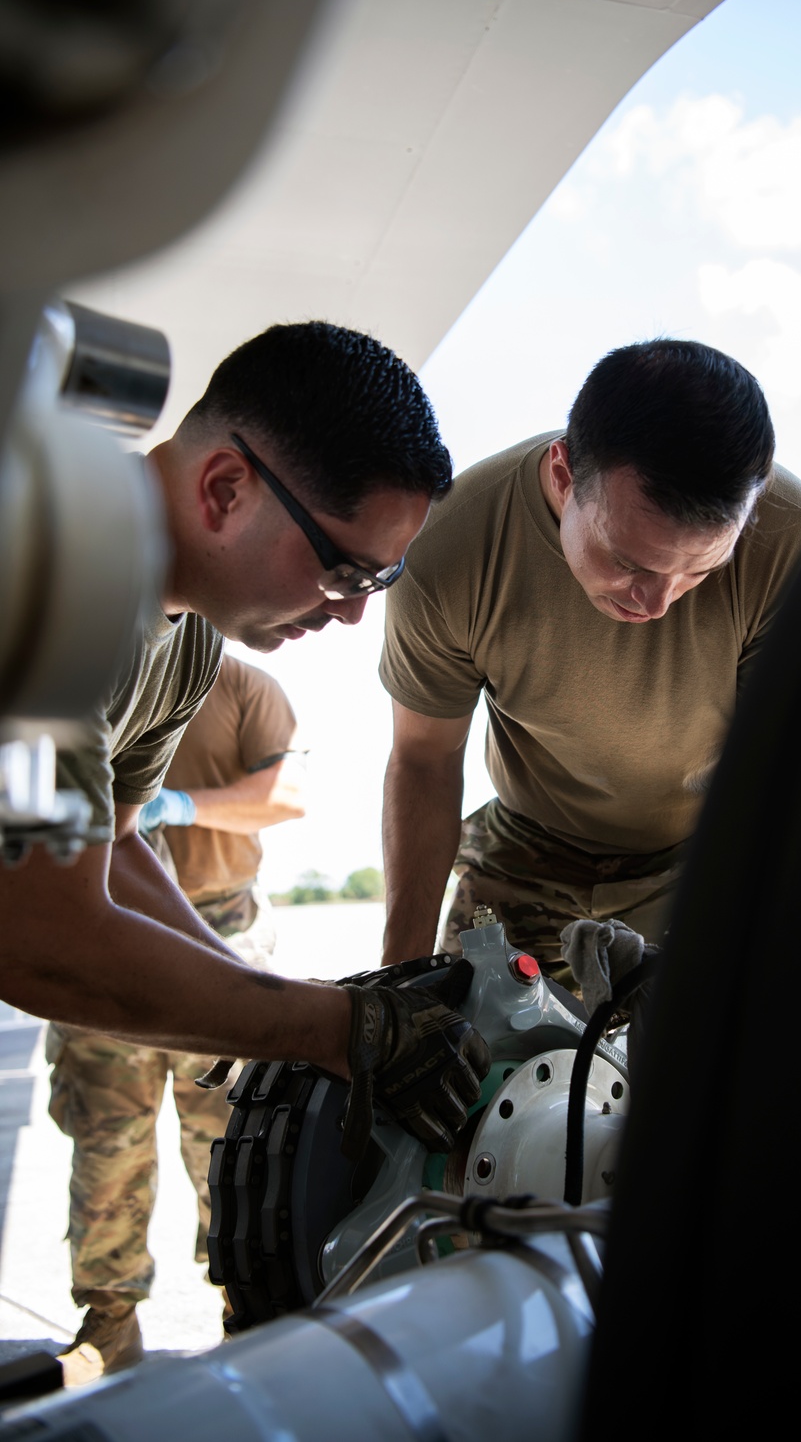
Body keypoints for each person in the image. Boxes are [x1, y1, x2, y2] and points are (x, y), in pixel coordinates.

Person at [0, 321, 490, 1372]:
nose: (354, 616)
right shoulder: (53, 570)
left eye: (381, 582)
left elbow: (111, 848)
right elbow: (39, 933)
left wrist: (236, 991)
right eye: (343, 569)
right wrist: (334, 1030)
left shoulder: (175, 637)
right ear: (225, 488)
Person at [379, 337, 801, 981]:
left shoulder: (794, 545)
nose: (659, 602)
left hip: (704, 852)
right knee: (462, 1056)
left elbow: (785, 775)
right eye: (628, 562)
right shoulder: (451, 551)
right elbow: (425, 758)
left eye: (702, 569)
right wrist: (400, 978)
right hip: (527, 848)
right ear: (563, 477)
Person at [46, 654, 305, 1380]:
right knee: (106, 1142)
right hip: (102, 930)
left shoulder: (245, 687)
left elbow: (287, 793)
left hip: (218, 932)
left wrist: (179, 803)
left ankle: (243, 1307)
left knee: (231, 1147)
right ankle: (109, 1322)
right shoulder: (100, 665)